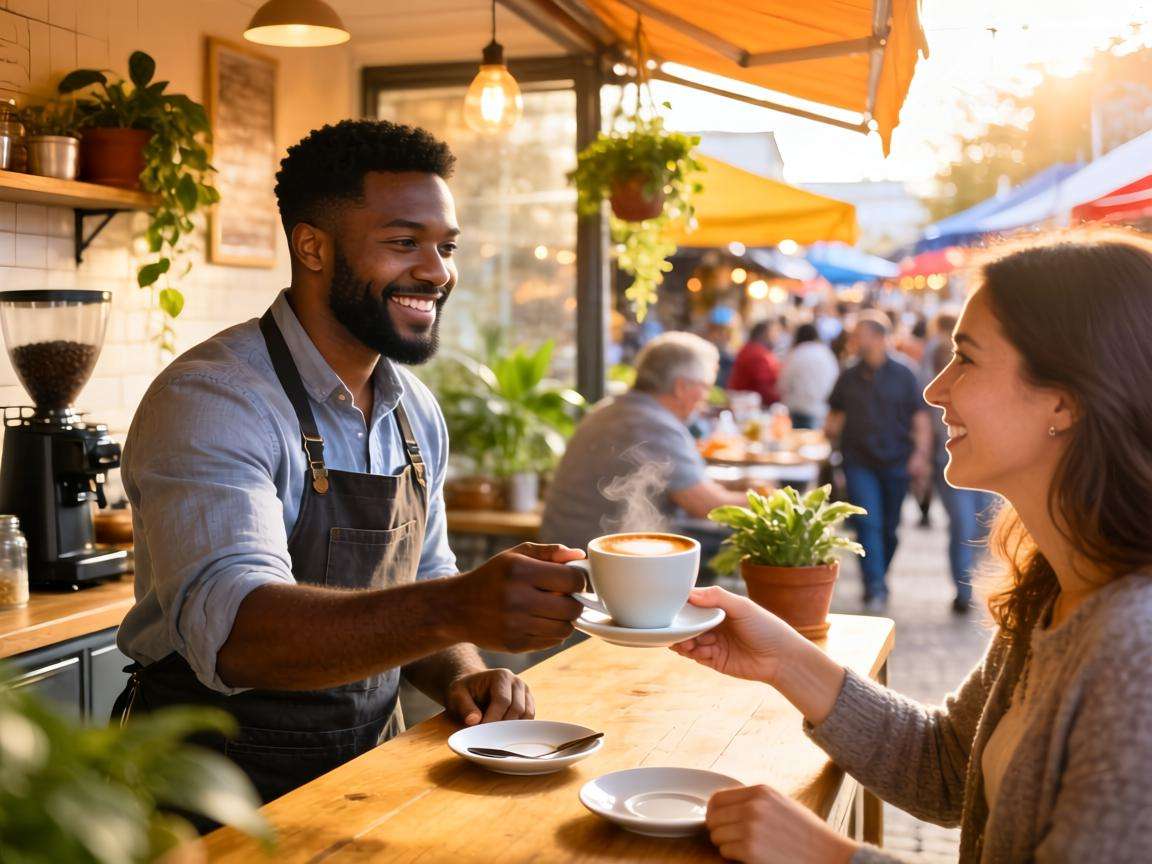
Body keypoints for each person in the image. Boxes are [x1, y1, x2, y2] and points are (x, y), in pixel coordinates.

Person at [113, 120, 586, 809]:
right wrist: (460, 607)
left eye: (445, 246)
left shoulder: (413, 410)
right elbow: (237, 634)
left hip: (363, 775)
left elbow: (423, 578)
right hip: (202, 790)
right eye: (403, 243)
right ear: (312, 246)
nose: (437, 271)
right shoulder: (214, 398)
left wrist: (461, 671)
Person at [672, 231, 1152, 863]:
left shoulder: (1133, 647)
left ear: (1064, 400)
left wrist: (826, 857)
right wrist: (782, 657)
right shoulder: (1060, 589)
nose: (935, 388)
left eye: (968, 359)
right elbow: (949, 767)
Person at [541, 332, 754, 553]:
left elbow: (685, 484)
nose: (707, 397)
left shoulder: (614, 409)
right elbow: (707, 506)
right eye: (706, 386)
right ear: (681, 387)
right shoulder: (653, 424)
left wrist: (736, 486)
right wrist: (768, 499)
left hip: (570, 546)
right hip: (593, 561)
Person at [825, 311, 932, 610]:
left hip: (897, 461)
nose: (856, 341)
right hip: (858, 461)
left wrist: (920, 456)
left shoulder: (905, 374)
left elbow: (920, 419)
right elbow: (834, 416)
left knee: (889, 528)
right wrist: (827, 439)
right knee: (867, 523)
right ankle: (875, 587)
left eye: (861, 335)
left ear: (881, 337)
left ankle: (878, 577)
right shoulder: (848, 374)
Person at [923, 310, 998, 613]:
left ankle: (969, 583)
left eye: (963, 361)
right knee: (963, 525)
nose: (934, 392)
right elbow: (925, 425)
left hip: (985, 466)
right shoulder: (937, 393)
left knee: (982, 526)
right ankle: (963, 590)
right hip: (948, 465)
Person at [778, 323, 839, 429]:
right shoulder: (826, 353)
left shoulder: (796, 353)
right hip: (821, 411)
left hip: (797, 410)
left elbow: (782, 383)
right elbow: (835, 380)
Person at [727, 320, 782, 407]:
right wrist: (780, 399)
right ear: (765, 334)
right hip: (748, 404)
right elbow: (762, 385)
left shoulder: (749, 349)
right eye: (774, 333)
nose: (777, 337)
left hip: (743, 401)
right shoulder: (758, 354)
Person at [704, 306, 738, 387]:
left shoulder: (732, 352)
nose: (721, 334)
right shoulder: (706, 350)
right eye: (716, 329)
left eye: (725, 331)